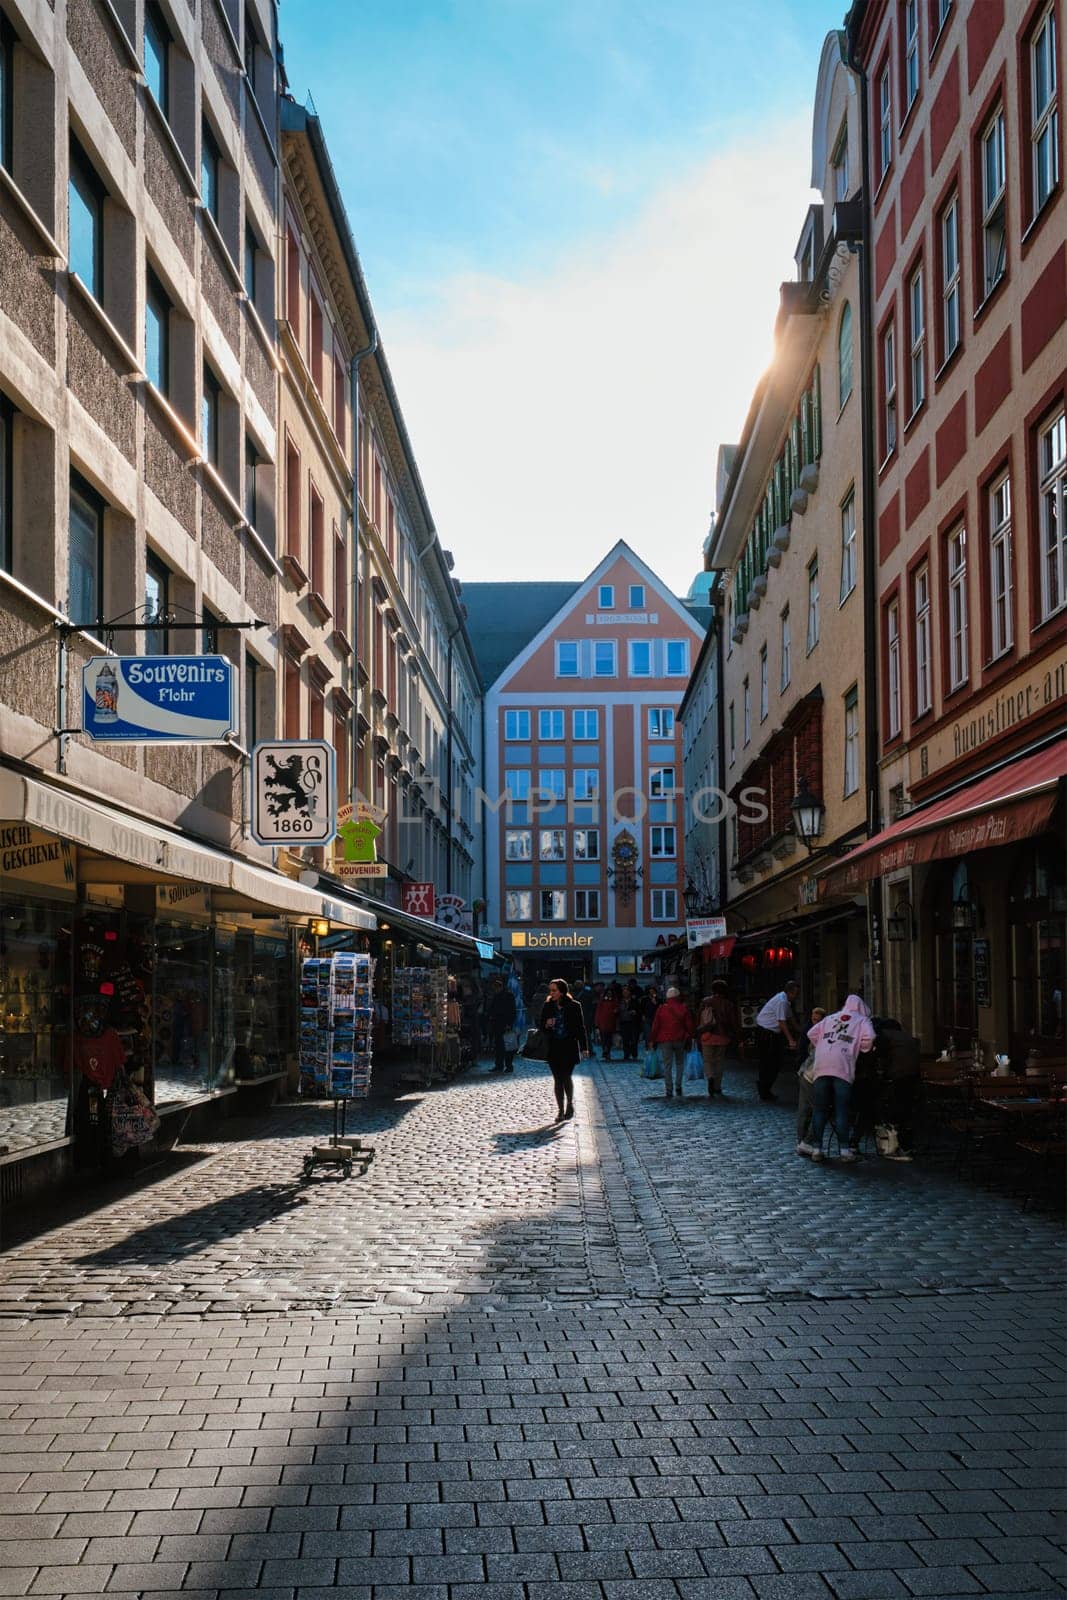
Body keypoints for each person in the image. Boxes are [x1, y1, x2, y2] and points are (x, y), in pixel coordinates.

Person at [800, 994, 876, 1163]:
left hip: (821, 1065)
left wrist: (822, 1045)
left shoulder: (830, 1018)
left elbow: (812, 1033)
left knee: (820, 1109)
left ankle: (817, 1149)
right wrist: (860, 1047)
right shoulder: (862, 1021)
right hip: (842, 1067)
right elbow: (870, 1038)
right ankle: (844, 1150)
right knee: (842, 1109)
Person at [540, 977, 589, 1122]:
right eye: (551, 990)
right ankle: (560, 1110)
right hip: (553, 1046)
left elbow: (581, 1028)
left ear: (562, 991)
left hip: (569, 1046)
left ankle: (570, 1104)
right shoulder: (548, 1005)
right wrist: (546, 1024)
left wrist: (584, 1047)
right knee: (557, 1079)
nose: (551, 993)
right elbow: (541, 1024)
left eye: (554, 990)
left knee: (566, 1076)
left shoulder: (574, 1005)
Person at [872, 1015, 921, 1159]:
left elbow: (879, 1056)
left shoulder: (883, 1036)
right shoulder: (903, 1036)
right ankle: (906, 1145)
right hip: (913, 1075)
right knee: (906, 1110)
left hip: (898, 1076)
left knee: (896, 1110)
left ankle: (896, 1144)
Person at [753, 980, 800, 1102]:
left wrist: (800, 1030)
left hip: (770, 1032)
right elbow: (782, 1022)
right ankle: (764, 1088)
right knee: (769, 1062)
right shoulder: (782, 1001)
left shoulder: (785, 1001)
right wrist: (791, 1040)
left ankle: (765, 1087)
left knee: (774, 1061)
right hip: (766, 1033)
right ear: (790, 992)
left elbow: (790, 1018)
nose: (796, 996)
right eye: (795, 993)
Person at [649, 985, 697, 1101]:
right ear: (678, 996)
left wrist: (652, 1039)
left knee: (667, 1065)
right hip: (680, 1038)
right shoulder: (683, 1008)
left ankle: (668, 1089)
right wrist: (693, 1035)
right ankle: (678, 1085)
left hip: (665, 1040)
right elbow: (689, 1025)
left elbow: (656, 1026)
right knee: (680, 1063)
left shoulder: (661, 1008)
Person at [696, 979, 740, 1097]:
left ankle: (710, 1077)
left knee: (708, 1060)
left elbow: (698, 1017)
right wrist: (737, 1034)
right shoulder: (728, 1004)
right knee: (719, 1061)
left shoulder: (705, 1001)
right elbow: (733, 1022)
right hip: (722, 1036)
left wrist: (697, 1032)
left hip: (707, 1035)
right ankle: (717, 1086)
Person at [795, 1006, 826, 1154]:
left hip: (806, 1071)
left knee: (806, 1108)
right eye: (813, 1019)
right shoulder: (814, 1032)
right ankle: (804, 1141)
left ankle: (803, 1142)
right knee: (816, 1109)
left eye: (818, 1020)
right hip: (809, 1073)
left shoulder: (817, 1032)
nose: (815, 1022)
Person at [485, 977, 518, 1074]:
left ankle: (508, 1066)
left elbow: (512, 1011)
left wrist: (509, 1023)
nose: (495, 990)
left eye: (495, 988)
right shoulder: (497, 996)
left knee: (507, 1046)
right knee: (499, 1046)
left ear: (500, 987)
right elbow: (492, 1009)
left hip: (505, 1024)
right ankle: (499, 1065)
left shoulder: (508, 996)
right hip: (497, 1024)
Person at [618, 982, 643, 1061]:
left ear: (630, 992)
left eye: (627, 991)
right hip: (623, 1022)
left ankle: (634, 1054)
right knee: (625, 1039)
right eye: (624, 991)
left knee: (634, 1040)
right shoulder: (619, 1001)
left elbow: (640, 1011)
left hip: (633, 1023)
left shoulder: (635, 1001)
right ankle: (626, 1054)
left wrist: (635, 1012)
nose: (625, 992)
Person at [594, 985, 620, 1062]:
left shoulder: (614, 1000)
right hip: (602, 1022)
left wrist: (616, 1011)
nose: (609, 994)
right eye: (608, 993)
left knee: (608, 1038)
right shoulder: (602, 1001)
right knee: (604, 1038)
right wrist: (596, 1023)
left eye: (610, 993)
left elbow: (617, 1009)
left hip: (611, 1022)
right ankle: (605, 1051)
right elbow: (598, 1012)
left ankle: (607, 1051)